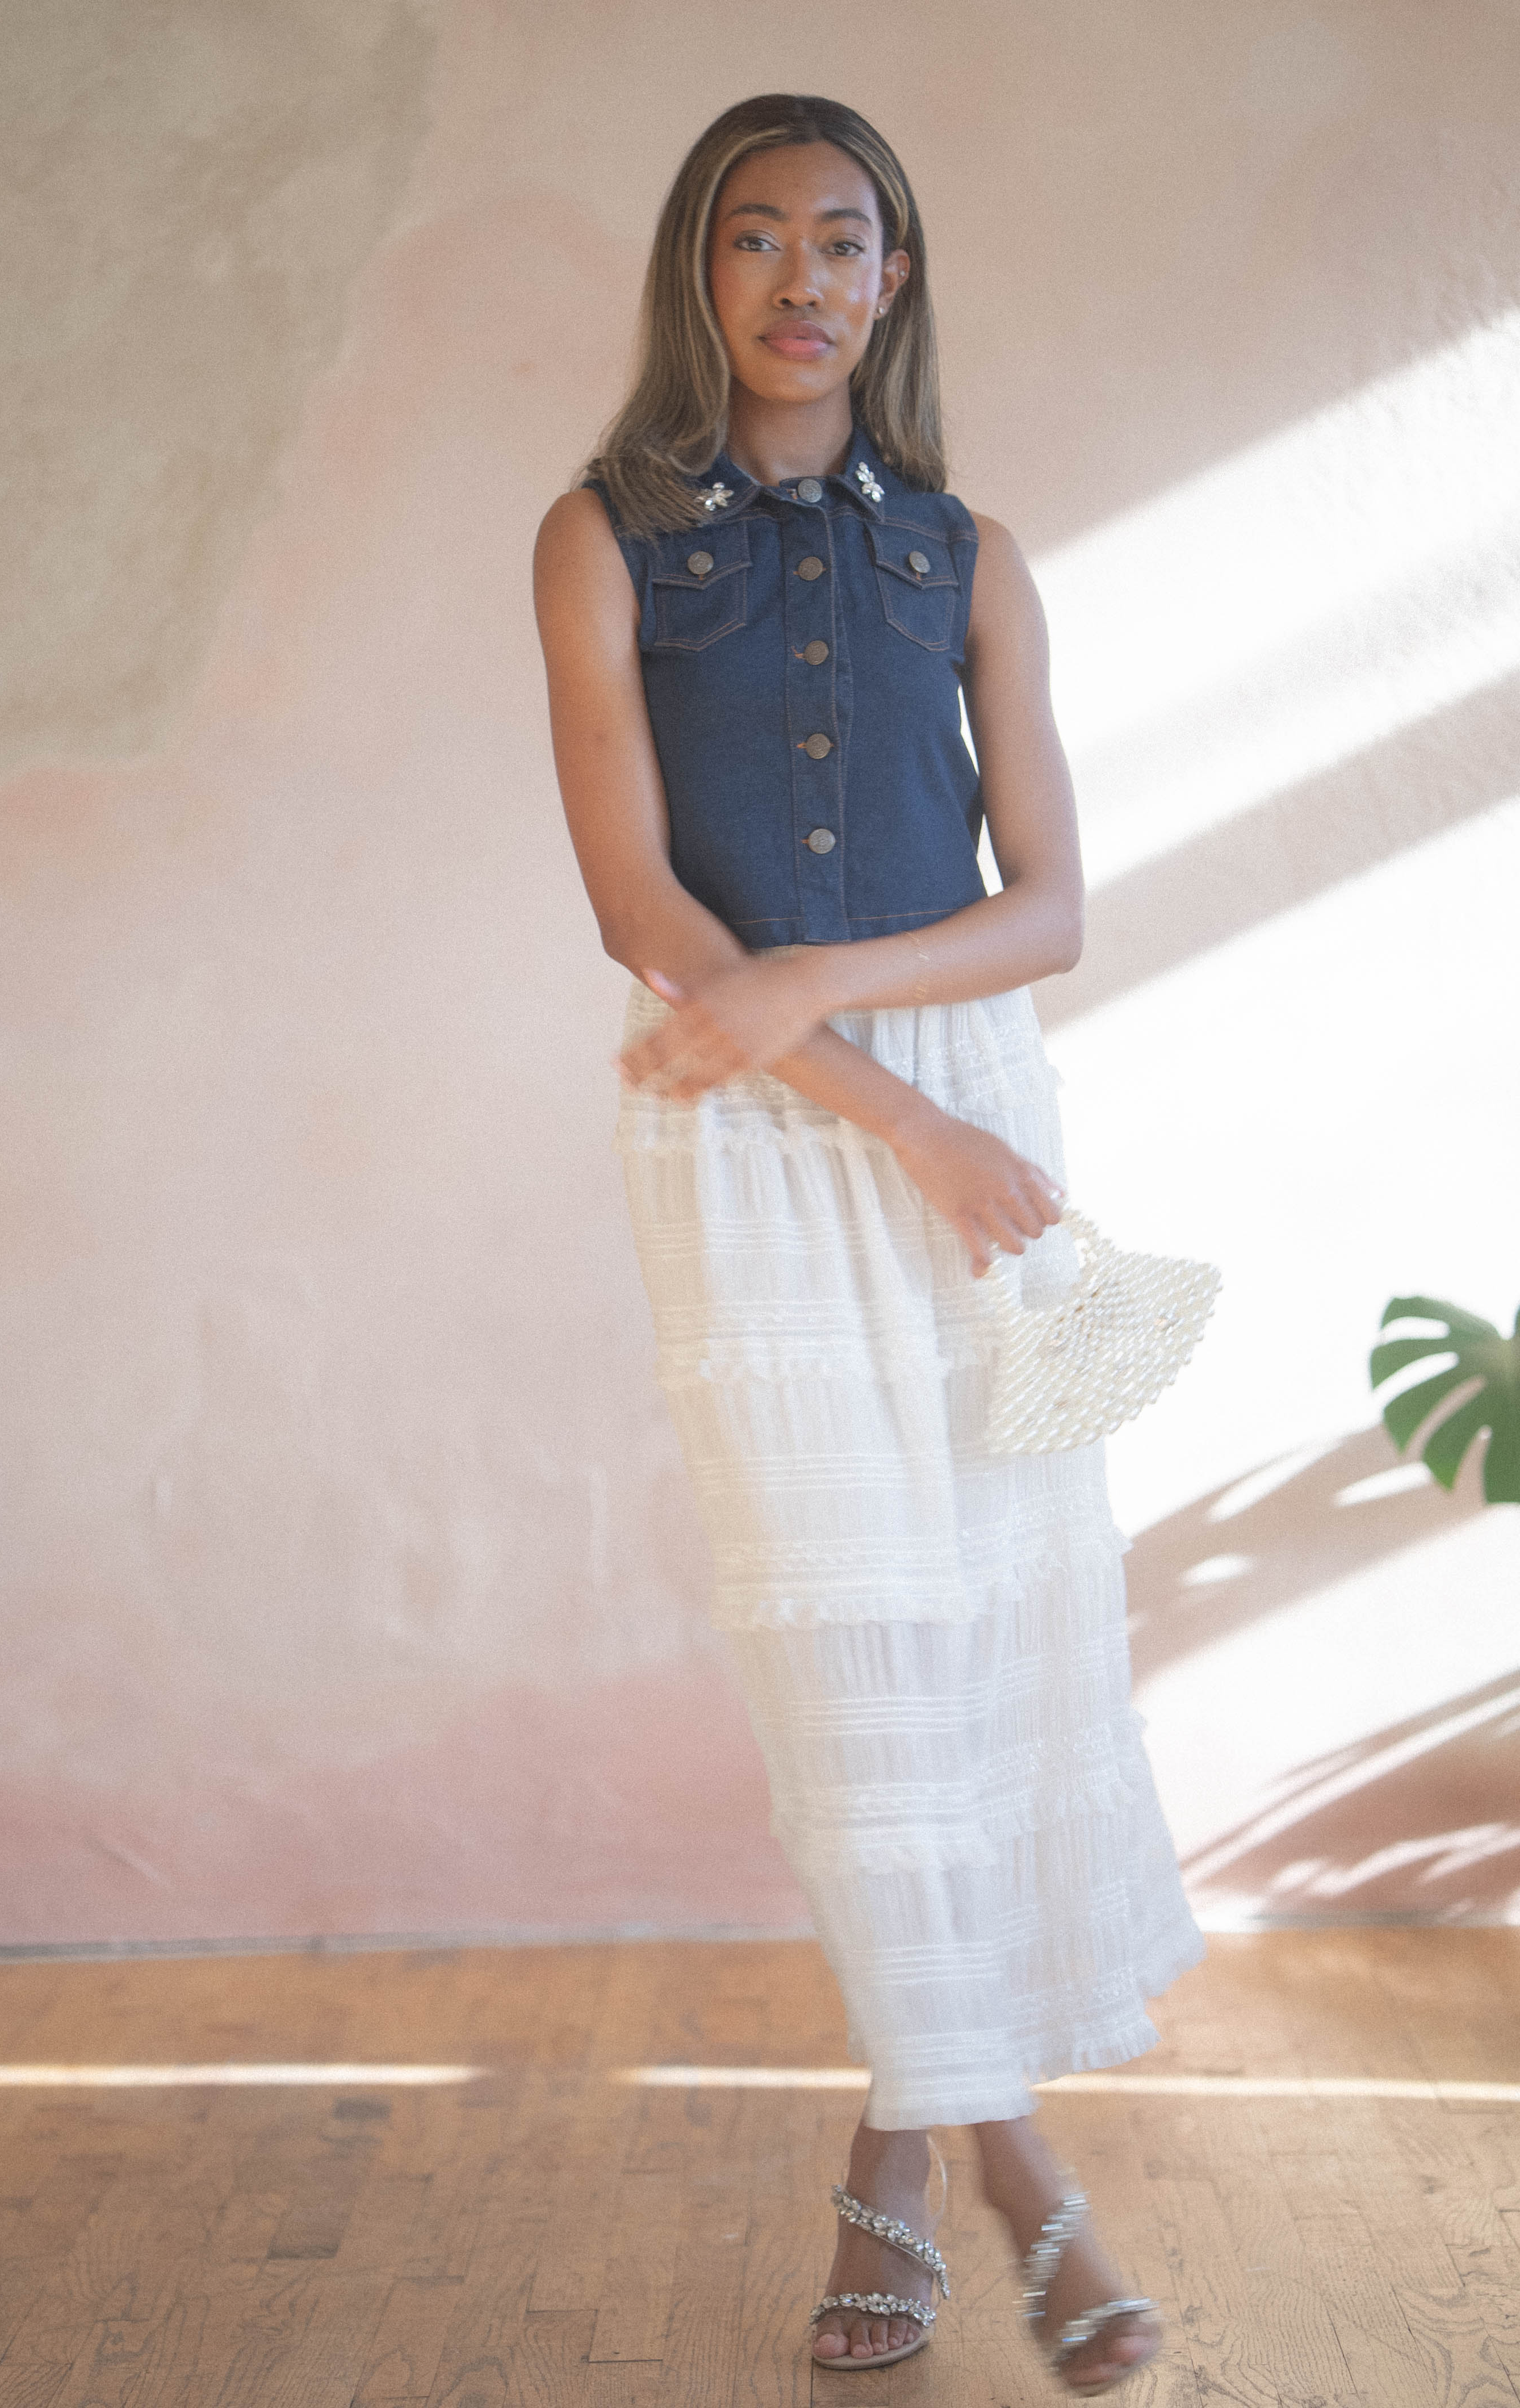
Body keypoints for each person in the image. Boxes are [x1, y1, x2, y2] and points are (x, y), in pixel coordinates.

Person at [533, 93, 1205, 2396]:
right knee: (863, 1669)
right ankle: (1031, 2192)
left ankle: (896, 2168)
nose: (802, 278)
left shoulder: (973, 557)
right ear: (698, 271)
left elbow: (1055, 907)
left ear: (893, 279)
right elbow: (641, 907)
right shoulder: (600, 538)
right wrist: (875, 1096)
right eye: (758, 237)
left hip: (973, 1116)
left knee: (995, 1647)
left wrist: (827, 995)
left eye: (844, 240)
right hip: (760, 1132)